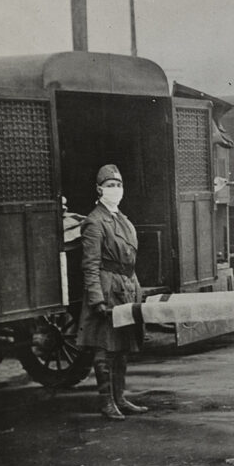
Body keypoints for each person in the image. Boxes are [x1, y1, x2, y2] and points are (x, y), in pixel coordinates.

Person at [77, 164, 148, 420]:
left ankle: (120, 398)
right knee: (105, 348)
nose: (115, 190)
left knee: (123, 345)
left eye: (118, 185)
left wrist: (136, 290)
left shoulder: (123, 220)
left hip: (126, 286)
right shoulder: (94, 221)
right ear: (99, 189)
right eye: (110, 186)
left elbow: (130, 260)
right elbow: (90, 265)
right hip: (107, 288)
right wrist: (96, 298)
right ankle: (106, 402)